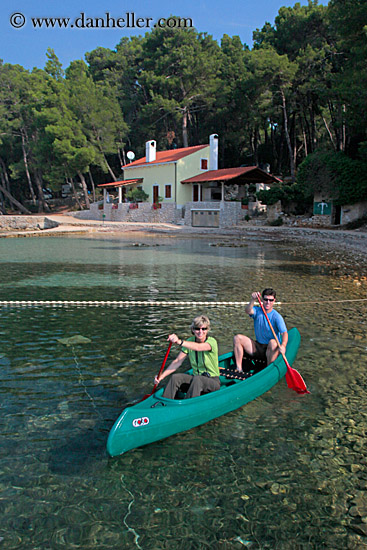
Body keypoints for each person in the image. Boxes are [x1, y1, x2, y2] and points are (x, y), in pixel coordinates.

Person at [155, 314, 220, 399]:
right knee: (176, 378)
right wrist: (160, 377)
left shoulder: (212, 342)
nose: (200, 332)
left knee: (198, 379)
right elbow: (177, 361)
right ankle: (164, 402)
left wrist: (179, 341)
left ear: (207, 330)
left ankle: (188, 405)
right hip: (196, 379)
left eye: (204, 329)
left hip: (212, 381)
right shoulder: (190, 341)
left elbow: (198, 347)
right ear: (193, 330)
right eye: (197, 329)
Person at [233, 288, 288, 373]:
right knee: (237, 338)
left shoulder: (277, 316)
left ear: (274, 301)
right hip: (258, 347)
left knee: (273, 342)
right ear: (262, 299)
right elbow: (248, 311)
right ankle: (239, 368)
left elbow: (284, 333)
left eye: (270, 300)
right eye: (266, 299)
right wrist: (253, 299)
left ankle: (268, 370)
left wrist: (283, 345)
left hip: (271, 349)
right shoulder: (257, 311)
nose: (268, 302)